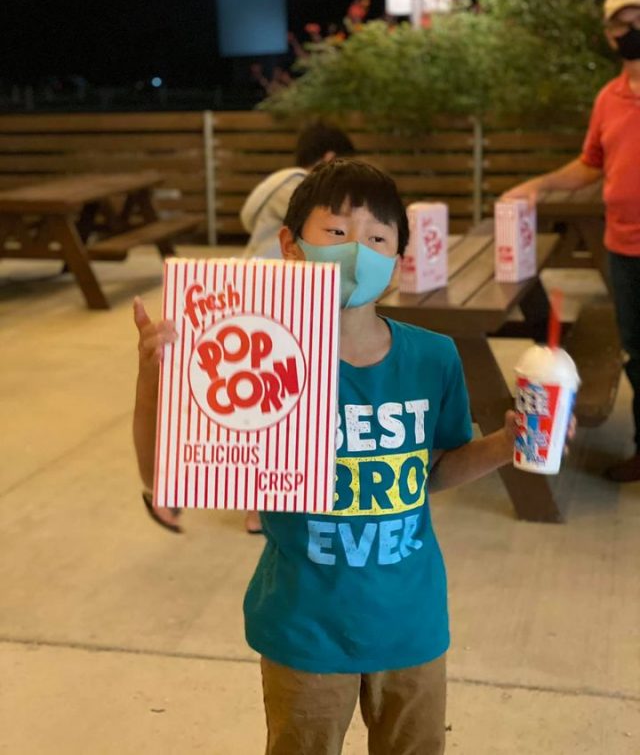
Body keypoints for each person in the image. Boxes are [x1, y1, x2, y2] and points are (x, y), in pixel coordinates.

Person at [133, 159, 521, 754]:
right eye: (336, 233)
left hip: (411, 622)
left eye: (377, 238)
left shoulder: (433, 358)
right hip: (303, 628)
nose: (357, 251)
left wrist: (501, 446)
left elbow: (433, 468)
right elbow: (164, 471)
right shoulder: (256, 365)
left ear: (397, 262)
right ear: (290, 244)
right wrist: (155, 378)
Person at [503, 0, 640, 483]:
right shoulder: (609, 99)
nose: (632, 31)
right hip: (622, 248)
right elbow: (591, 166)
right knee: (635, 350)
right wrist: (534, 187)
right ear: (609, 36)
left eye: (638, 19)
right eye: (621, 24)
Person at [240, 121, 354, 533]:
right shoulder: (298, 185)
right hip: (277, 294)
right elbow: (334, 220)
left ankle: (265, 501)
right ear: (328, 159)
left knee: (271, 397)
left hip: (268, 292)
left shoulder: (281, 186)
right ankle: (258, 506)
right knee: (276, 400)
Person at [240, 120, 355, 260]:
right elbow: (325, 222)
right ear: (330, 158)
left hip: (265, 267)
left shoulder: (285, 182)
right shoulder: (296, 184)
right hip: (271, 273)